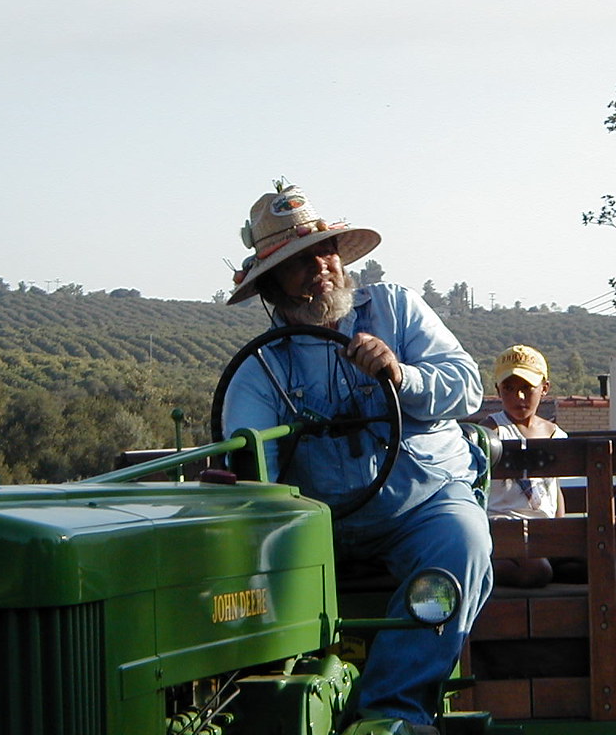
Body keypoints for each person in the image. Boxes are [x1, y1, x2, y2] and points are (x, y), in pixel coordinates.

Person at [221, 182, 493, 733]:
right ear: (272, 284)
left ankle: (392, 712)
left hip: (424, 504)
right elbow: (254, 464)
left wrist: (401, 375)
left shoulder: (395, 308)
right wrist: (242, 481)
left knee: (462, 542)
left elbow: (466, 388)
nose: (320, 267)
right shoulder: (262, 368)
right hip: (324, 527)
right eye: (298, 262)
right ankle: (271, 707)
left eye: (325, 251)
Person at [481, 344, 567, 587]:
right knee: (536, 571)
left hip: (543, 531)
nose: (518, 397)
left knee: (582, 566)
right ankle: (480, 571)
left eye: (527, 388)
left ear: (544, 388)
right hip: (504, 528)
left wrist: (562, 530)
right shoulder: (492, 431)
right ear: (498, 390)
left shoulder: (557, 435)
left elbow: (555, 491)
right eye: (509, 388)